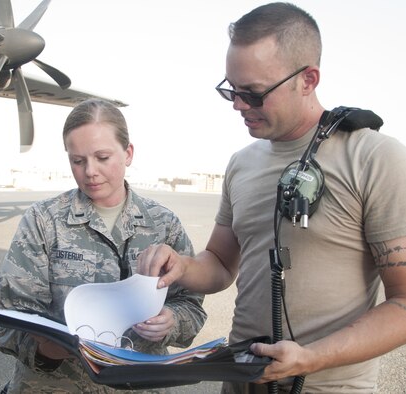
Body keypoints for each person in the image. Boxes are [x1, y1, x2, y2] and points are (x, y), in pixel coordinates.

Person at [137, 3, 406, 393]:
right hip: (241, 380)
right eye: (230, 89)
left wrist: (313, 357)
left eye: (254, 94)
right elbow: (220, 264)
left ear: (308, 79)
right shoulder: (241, 163)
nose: (238, 105)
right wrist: (181, 265)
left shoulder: (374, 157)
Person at [0, 98, 207, 393]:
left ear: (128, 153)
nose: (89, 171)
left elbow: (191, 304)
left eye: (102, 157)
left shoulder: (163, 224)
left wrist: (172, 322)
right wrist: (45, 349)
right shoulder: (44, 221)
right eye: (77, 161)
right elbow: (8, 317)